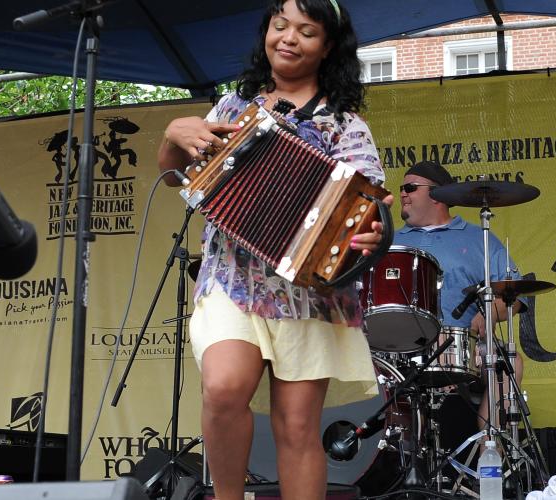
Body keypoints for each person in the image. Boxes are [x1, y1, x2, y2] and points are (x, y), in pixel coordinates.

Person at [156, 1, 388, 498]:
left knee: (297, 426)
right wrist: (174, 134)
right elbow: (175, 174)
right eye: (280, 26)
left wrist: (371, 235)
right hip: (232, 278)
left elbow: (369, 214)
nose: (288, 38)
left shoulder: (346, 128)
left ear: (328, 47)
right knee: (222, 388)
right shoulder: (231, 109)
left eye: (306, 31)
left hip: (307, 294)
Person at [390, 161, 520, 428]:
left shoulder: (478, 238)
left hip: (463, 346)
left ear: (437, 194)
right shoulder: (390, 242)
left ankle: (489, 454)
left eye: (410, 187)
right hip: (398, 351)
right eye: (402, 188)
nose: (402, 193)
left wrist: (489, 315)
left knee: (511, 363)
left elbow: (514, 295)